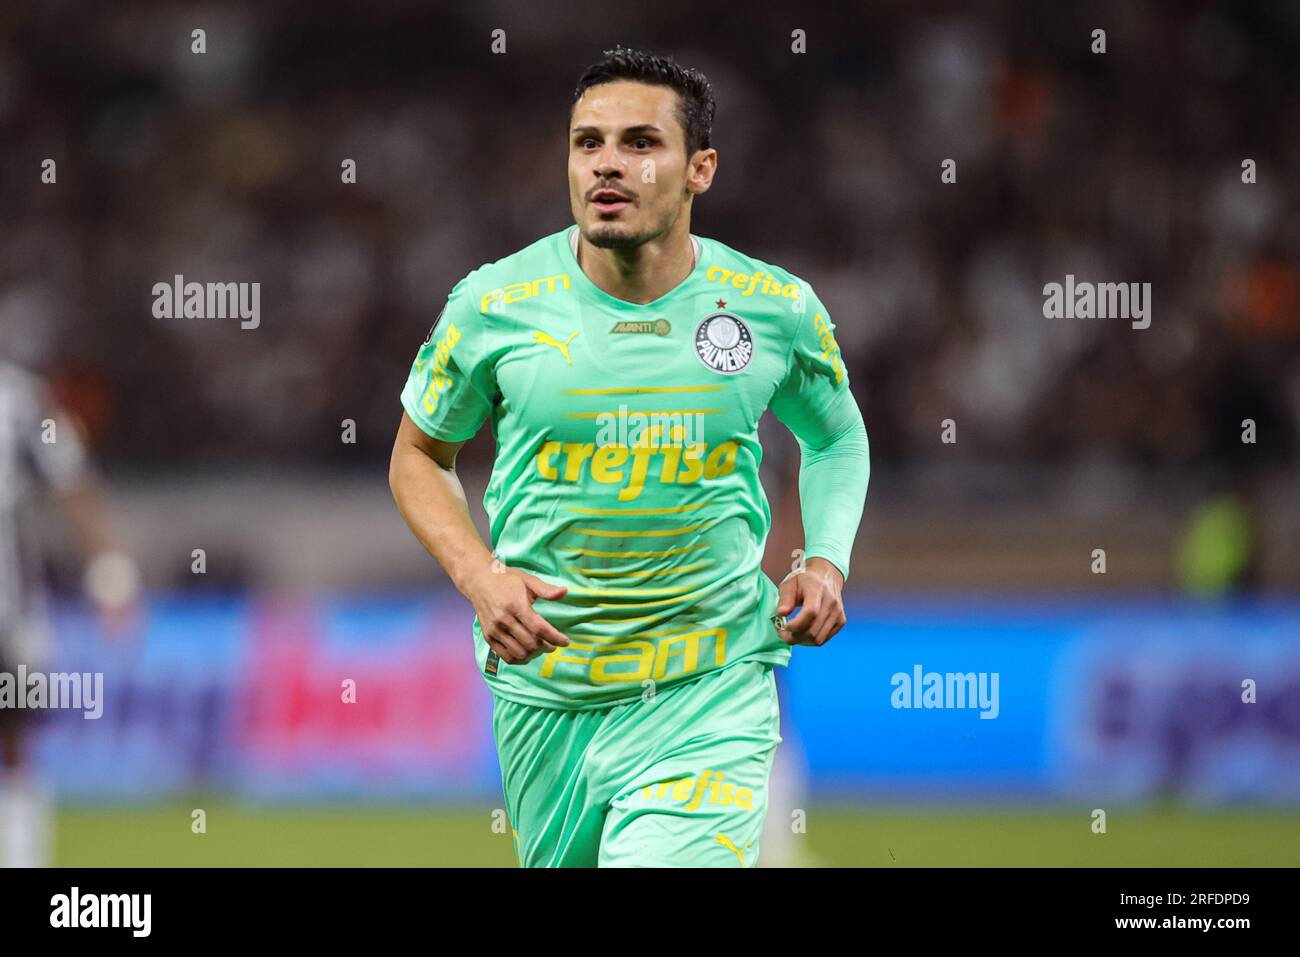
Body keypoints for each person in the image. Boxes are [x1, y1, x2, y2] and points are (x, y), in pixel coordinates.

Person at [389, 47, 869, 867]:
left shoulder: (774, 309)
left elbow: (835, 435)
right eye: (587, 143)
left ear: (699, 170)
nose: (608, 162)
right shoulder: (493, 305)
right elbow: (418, 458)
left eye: (642, 142)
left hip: (709, 687)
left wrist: (824, 560)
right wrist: (479, 577)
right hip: (548, 696)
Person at [0, 358, 138, 867]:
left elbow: (72, 481)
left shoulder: (18, 401)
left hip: (9, 612)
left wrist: (109, 569)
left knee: (16, 742)